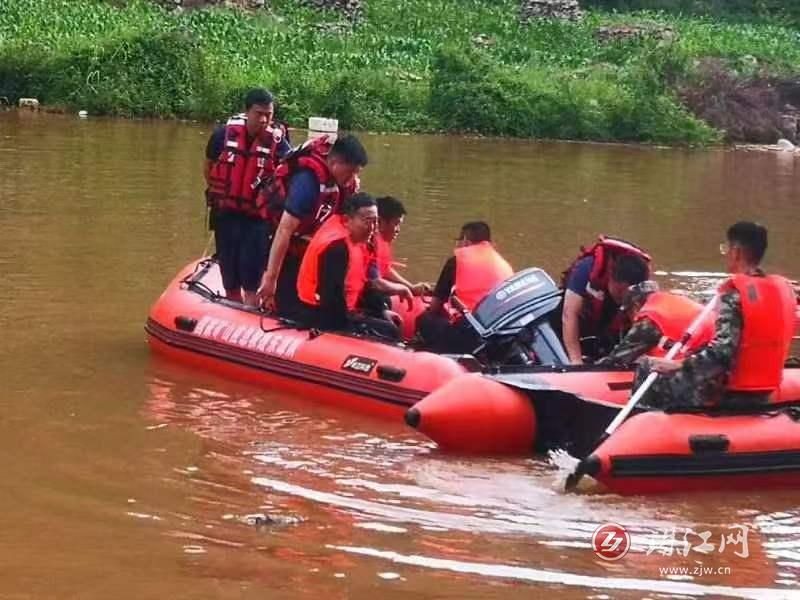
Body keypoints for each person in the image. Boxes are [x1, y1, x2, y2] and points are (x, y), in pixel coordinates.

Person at [635, 221, 796, 412]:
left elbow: (721, 356)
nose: (726, 254)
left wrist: (677, 365)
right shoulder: (784, 291)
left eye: (726, 248)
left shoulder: (734, 296)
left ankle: (646, 425)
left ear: (736, 252)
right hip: (764, 391)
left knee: (647, 366)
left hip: (727, 394)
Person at [258, 134, 368, 316]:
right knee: (284, 304)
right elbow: (284, 231)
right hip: (280, 242)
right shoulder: (308, 182)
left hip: (306, 247)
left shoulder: (342, 184)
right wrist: (271, 278)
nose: (353, 178)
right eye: (350, 172)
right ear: (335, 163)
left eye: (356, 173)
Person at [204, 88, 291, 306]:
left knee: (251, 279)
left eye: (268, 115)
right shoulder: (222, 135)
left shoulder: (278, 143)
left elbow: (290, 172)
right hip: (227, 214)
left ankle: (250, 311)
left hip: (258, 219)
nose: (263, 120)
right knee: (229, 277)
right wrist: (220, 191)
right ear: (246, 112)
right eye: (258, 113)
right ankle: (232, 308)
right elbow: (208, 166)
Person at [296, 192, 399, 338]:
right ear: (347, 220)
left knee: (388, 321)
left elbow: (363, 283)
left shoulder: (360, 241)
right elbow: (331, 298)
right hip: (319, 313)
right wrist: (350, 330)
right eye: (367, 221)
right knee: (390, 332)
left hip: (345, 309)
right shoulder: (337, 248)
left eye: (376, 221)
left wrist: (380, 311)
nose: (372, 227)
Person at [416, 221, 513, 354]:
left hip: (473, 334)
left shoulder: (456, 261)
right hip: (501, 333)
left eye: (459, 240)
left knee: (425, 320)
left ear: (466, 240)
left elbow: (434, 306)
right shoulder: (503, 263)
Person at [560, 237, 651, 364]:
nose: (622, 299)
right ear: (611, 279)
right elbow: (569, 314)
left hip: (615, 321)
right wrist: (576, 361)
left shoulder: (641, 283)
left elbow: (641, 320)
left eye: (627, 296)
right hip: (586, 313)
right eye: (620, 294)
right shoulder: (586, 269)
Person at [598, 280, 715, 366]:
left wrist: (593, 365)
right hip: (718, 350)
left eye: (629, 314)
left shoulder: (650, 317)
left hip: (704, 361)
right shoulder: (674, 300)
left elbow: (617, 359)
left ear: (636, 306)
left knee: (648, 365)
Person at [361, 196, 431, 321]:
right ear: (381, 222)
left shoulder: (380, 241)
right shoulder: (370, 242)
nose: (398, 230)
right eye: (396, 224)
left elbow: (385, 270)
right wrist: (403, 289)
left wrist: (411, 287)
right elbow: (375, 283)